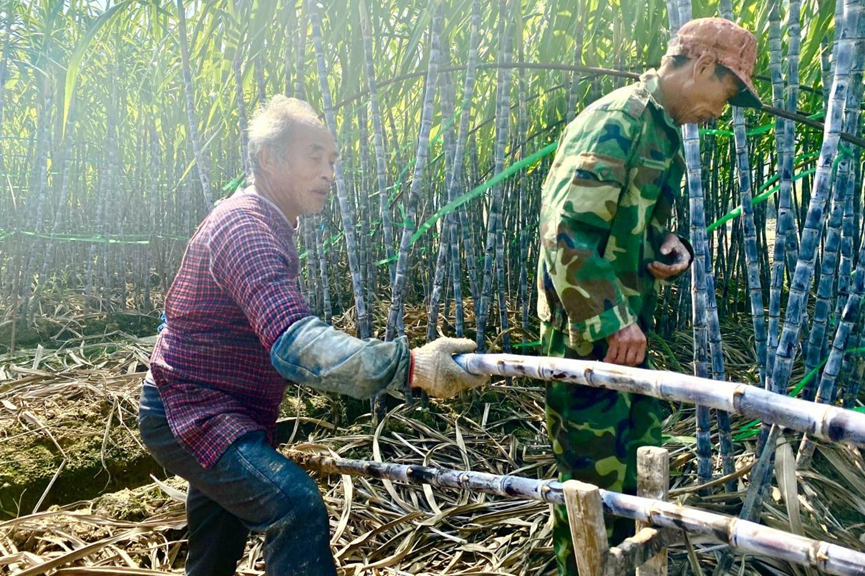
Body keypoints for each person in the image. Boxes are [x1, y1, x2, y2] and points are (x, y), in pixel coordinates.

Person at [138, 96, 489, 576]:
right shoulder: (246, 229)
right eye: (314, 156)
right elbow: (293, 343)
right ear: (269, 159)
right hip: (190, 411)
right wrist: (411, 366)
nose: (329, 173)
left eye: (332, 160)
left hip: (223, 409)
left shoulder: (267, 223)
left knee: (216, 546)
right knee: (295, 506)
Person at [537, 18, 762, 573]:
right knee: (593, 490)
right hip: (587, 338)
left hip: (623, 336)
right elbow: (565, 232)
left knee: (637, 475)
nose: (722, 109)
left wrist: (666, 245)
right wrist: (614, 320)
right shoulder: (621, 120)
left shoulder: (659, 127)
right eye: (727, 93)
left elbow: (625, 221)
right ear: (704, 67)